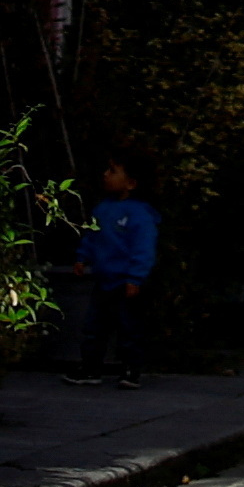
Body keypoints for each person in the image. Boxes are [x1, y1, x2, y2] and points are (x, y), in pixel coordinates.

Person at [64, 158, 157, 387]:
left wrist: (136, 277)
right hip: (103, 279)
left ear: (131, 183)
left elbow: (143, 247)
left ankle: (130, 369)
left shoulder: (139, 214)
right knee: (94, 327)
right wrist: (82, 257)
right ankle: (90, 368)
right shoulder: (103, 209)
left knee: (129, 328)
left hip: (125, 281)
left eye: (113, 171)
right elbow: (92, 236)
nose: (106, 175)